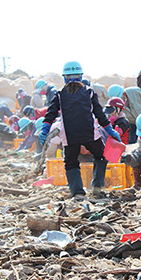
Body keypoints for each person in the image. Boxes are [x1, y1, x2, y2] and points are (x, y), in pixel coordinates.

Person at [39, 61, 121, 199]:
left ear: (64, 77)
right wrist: (110, 130)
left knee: (71, 162)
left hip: (69, 136)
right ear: (81, 76)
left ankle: (77, 192)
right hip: (89, 133)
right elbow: (99, 114)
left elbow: (50, 114)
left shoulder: (60, 94)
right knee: (101, 156)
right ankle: (96, 186)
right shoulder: (89, 92)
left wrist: (44, 130)